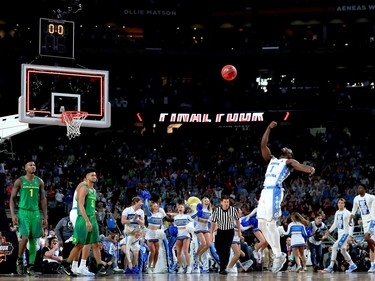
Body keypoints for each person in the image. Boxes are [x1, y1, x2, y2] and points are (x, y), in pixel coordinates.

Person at [257, 121, 315, 273]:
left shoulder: (288, 161)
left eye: (290, 150)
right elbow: (263, 145)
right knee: (261, 224)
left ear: (290, 155)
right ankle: (279, 254)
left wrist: (309, 169)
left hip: (274, 192)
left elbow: (298, 165)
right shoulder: (272, 159)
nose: (287, 149)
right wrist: (268, 128)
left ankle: (277, 255)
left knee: (270, 223)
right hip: (264, 192)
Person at [58, 168, 108, 277]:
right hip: (80, 216)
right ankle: (71, 264)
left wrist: (91, 210)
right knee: (81, 243)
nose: (94, 177)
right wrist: (86, 220)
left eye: (95, 175)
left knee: (94, 242)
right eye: (92, 175)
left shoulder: (93, 190)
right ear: (86, 178)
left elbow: (80, 199)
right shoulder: (83, 186)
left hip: (91, 217)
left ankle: (97, 265)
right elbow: (79, 202)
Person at [9, 161, 48, 276]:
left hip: (35, 212)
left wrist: (45, 216)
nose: (33, 166)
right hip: (23, 211)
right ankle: (19, 259)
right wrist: (13, 214)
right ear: (25, 168)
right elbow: (12, 199)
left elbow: (43, 199)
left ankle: (30, 266)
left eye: (34, 165)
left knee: (33, 240)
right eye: (30, 165)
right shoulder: (20, 181)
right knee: (25, 237)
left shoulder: (39, 181)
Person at [322, 198, 358, 273]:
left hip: (345, 233)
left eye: (342, 203)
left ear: (344, 204)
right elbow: (335, 224)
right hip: (340, 234)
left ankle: (331, 266)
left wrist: (350, 235)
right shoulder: (337, 212)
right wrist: (328, 231)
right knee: (343, 250)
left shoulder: (347, 213)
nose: (340, 204)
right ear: (337, 204)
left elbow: (352, 224)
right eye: (339, 203)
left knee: (335, 246)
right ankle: (352, 264)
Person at [209, 194, 241, 275]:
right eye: (225, 202)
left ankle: (223, 268)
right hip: (220, 231)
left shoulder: (233, 210)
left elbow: (237, 221)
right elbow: (213, 223)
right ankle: (222, 265)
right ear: (221, 202)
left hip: (229, 232)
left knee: (226, 250)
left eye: (228, 202)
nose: (226, 203)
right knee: (219, 249)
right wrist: (211, 234)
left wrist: (239, 231)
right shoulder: (217, 210)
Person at [349, 184, 375, 272]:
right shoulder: (356, 199)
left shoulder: (371, 197)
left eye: (361, 188)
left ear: (365, 189)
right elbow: (354, 209)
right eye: (358, 188)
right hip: (365, 223)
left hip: (372, 221)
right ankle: (373, 265)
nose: (359, 189)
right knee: (371, 245)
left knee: (367, 238)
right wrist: (351, 217)